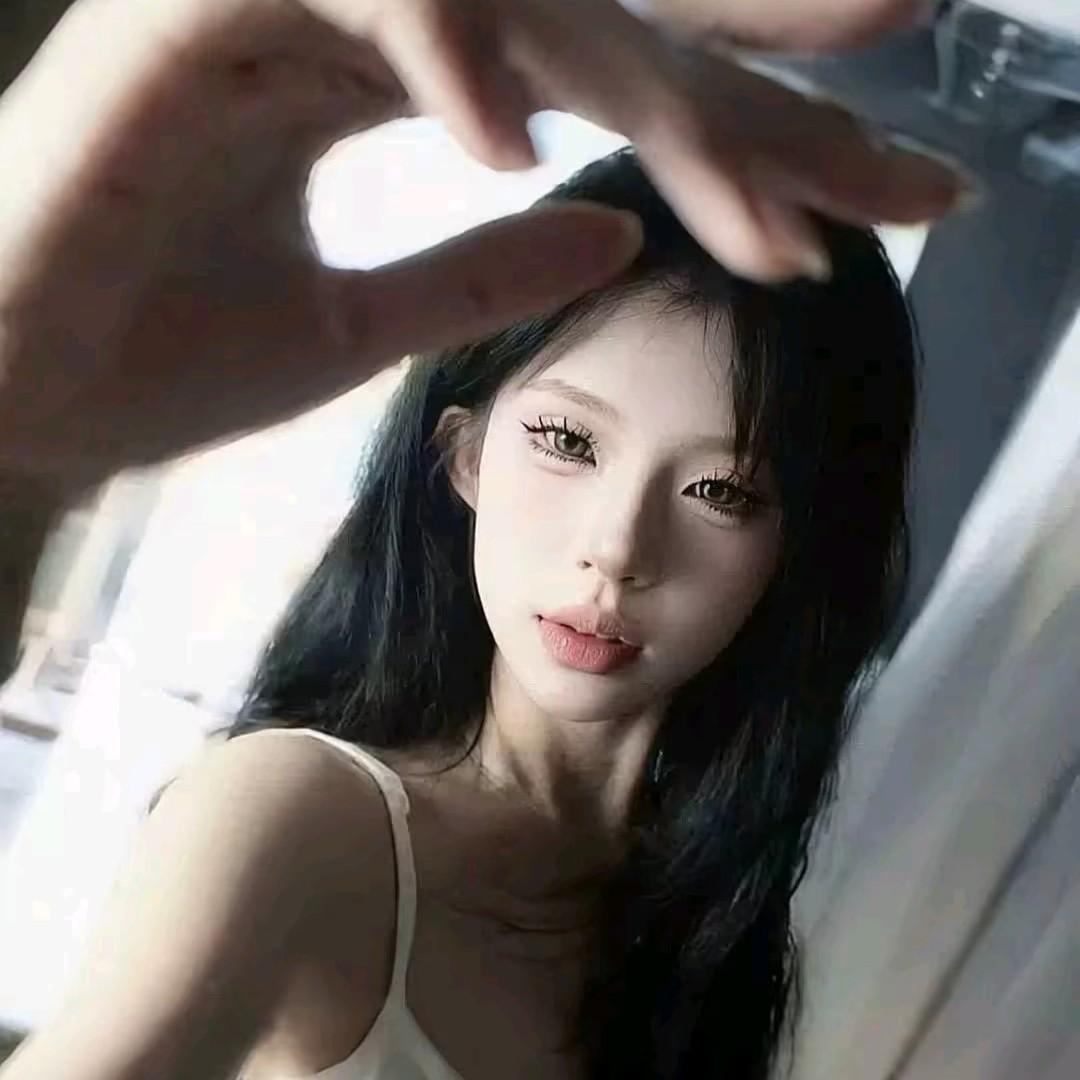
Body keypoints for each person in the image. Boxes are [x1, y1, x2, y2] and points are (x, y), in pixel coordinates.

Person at [0, 0, 952, 1077]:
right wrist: (22, 453)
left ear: (796, 549)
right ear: (463, 457)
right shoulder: (300, 822)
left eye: (720, 491)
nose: (616, 549)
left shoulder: (712, 937)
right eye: (566, 441)